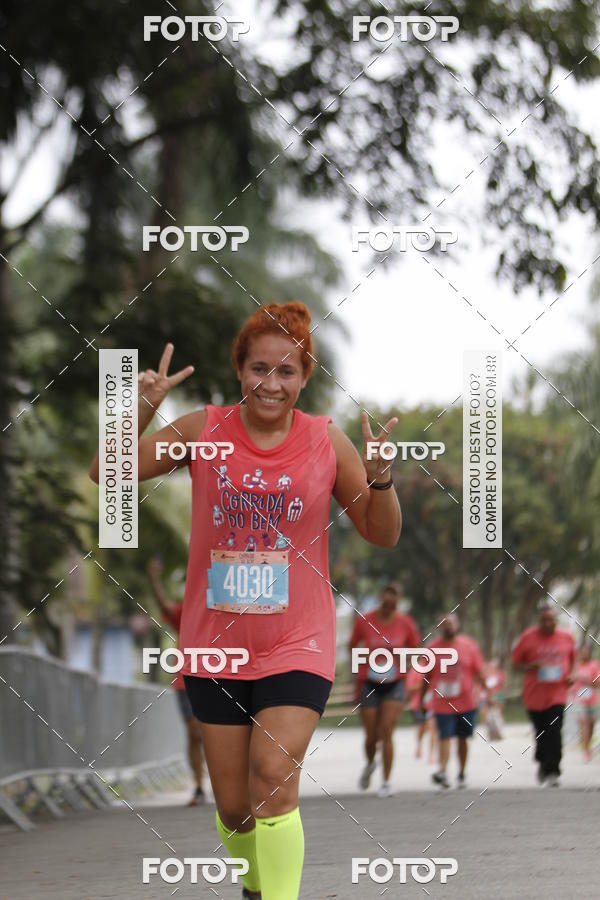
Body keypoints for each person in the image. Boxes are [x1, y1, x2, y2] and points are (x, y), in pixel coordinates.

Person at [90, 302, 402, 900]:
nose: (272, 383)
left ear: (304, 378)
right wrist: (144, 406)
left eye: (287, 372)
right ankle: (255, 888)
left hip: (297, 640)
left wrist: (382, 477)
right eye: (260, 368)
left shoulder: (325, 440)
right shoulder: (204, 430)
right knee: (235, 808)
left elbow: (380, 530)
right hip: (215, 646)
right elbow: (109, 470)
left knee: (275, 782)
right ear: (240, 370)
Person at [348, 584, 420, 797]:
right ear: (381, 600)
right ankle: (370, 763)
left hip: (395, 683)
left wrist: (407, 666)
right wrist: (359, 664)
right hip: (369, 683)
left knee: (386, 731)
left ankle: (386, 782)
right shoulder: (365, 620)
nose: (389, 608)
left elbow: (415, 649)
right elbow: (352, 645)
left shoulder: (405, 623)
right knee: (371, 737)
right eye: (386, 604)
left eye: (393, 605)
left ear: (397, 603)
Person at [146, 557, 206, 806]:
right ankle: (199, 787)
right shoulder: (186, 612)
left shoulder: (222, 609)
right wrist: (153, 578)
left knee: (216, 734)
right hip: (186, 681)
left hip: (221, 676)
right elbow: (164, 605)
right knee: (194, 734)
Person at [512, 605, 576, 787]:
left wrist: (572, 675)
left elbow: (573, 662)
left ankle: (553, 770)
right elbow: (515, 664)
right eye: (544, 620)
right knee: (541, 732)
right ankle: (542, 760)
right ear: (538, 621)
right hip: (534, 694)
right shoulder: (527, 638)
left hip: (557, 694)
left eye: (551, 620)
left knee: (554, 730)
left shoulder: (567, 637)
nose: (548, 623)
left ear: (556, 620)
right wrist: (531, 666)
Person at [421, 613, 487, 789]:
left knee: (463, 739)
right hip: (442, 703)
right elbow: (425, 677)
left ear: (457, 625)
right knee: (445, 736)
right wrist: (421, 699)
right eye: (443, 624)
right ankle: (442, 771)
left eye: (450, 623)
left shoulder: (469, 646)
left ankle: (462, 773)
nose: (447, 627)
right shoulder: (432, 649)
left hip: (467, 702)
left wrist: (488, 694)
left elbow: (480, 672)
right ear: (439, 628)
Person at [571, 642, 600, 762]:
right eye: (582, 652)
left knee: (591, 723)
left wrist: (584, 680)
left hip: (592, 699)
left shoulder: (594, 665)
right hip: (579, 699)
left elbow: (597, 683)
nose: (584, 654)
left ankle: (587, 746)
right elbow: (570, 680)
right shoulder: (575, 666)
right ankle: (586, 751)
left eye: (586, 652)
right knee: (584, 722)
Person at [406, 665, 436, 762]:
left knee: (432, 729)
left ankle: (431, 754)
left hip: (432, 704)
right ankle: (419, 745)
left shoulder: (435, 668)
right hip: (418, 703)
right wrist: (422, 685)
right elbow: (409, 687)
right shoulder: (415, 670)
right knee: (421, 727)